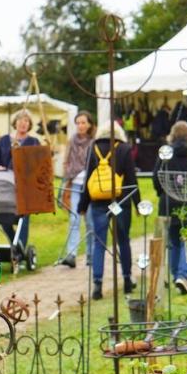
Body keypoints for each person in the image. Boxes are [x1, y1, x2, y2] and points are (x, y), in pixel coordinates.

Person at [78, 123, 139, 301]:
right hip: (120, 201)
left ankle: (97, 284)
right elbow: (131, 178)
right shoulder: (125, 149)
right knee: (123, 240)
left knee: (99, 242)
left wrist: (83, 205)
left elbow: (88, 178)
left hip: (98, 202)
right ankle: (127, 279)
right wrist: (137, 204)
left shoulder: (93, 148)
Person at [152, 121, 187, 294]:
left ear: (172, 135)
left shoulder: (165, 154)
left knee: (174, 242)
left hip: (168, 203)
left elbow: (156, 178)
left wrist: (162, 193)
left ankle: (176, 274)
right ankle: (182, 276)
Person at [0, 108, 41, 246]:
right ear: (15, 122)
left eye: (26, 120)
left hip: (25, 187)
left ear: (29, 124)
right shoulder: (4, 140)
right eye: (20, 120)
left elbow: (39, 163)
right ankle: (16, 247)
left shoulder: (33, 141)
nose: (23, 123)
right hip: (6, 186)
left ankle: (21, 251)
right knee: (3, 218)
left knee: (23, 219)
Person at [58, 111, 96, 268]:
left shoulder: (94, 142)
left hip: (89, 186)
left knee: (90, 221)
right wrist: (67, 173)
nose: (80, 126)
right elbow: (66, 160)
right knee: (74, 219)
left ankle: (91, 255)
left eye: (83, 123)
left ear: (89, 124)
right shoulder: (71, 141)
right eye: (78, 123)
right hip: (74, 184)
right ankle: (71, 254)